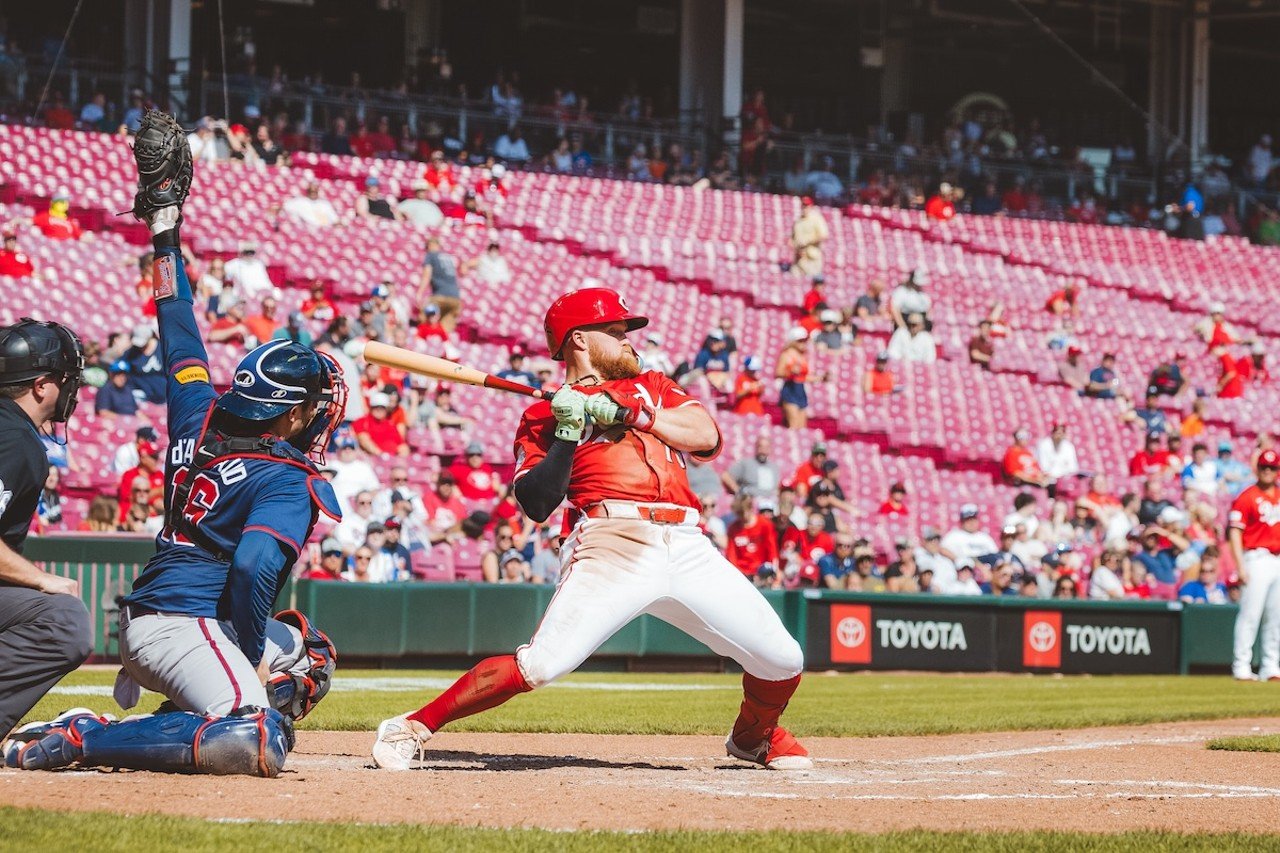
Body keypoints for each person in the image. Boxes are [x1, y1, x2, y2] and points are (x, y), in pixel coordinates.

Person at [3, 112, 342, 777]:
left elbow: (176, 320)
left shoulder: (197, 410)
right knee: (252, 735)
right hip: (181, 621)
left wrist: (165, 228)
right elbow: (249, 570)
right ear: (291, 415)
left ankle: (171, 722)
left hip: (157, 607)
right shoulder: (284, 474)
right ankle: (84, 737)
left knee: (305, 653)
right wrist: (246, 650)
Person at [372, 286, 810, 771]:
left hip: (687, 542)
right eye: (616, 331)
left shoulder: (653, 386)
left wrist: (636, 414)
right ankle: (412, 725)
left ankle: (753, 737)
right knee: (540, 665)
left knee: (783, 659)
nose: (628, 341)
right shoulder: (542, 414)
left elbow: (706, 436)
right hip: (610, 542)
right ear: (579, 340)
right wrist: (566, 436)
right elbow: (537, 502)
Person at [0, 319, 92, 741]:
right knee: (64, 619)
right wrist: (40, 578)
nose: (71, 388)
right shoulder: (15, 440)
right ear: (41, 385)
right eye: (65, 379)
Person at [1228, 449, 1280, 681]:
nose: (1268, 471)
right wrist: (1240, 566)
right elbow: (1235, 532)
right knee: (1250, 613)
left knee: (1276, 616)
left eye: (1272, 467)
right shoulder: (1247, 496)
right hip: (1257, 558)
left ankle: (1270, 665)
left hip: (1277, 558)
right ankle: (1242, 665)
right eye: (1264, 467)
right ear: (1257, 468)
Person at [725, 493, 778, 581]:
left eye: (742, 513)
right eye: (738, 513)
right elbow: (731, 555)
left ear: (750, 508)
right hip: (742, 574)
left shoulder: (765, 524)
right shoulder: (733, 528)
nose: (740, 516)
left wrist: (773, 570)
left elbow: (772, 549)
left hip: (763, 572)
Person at [418, 238, 462, 334]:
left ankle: (423, 341)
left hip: (441, 296)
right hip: (456, 299)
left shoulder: (431, 255)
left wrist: (419, 293)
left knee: (424, 316)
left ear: (429, 246)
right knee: (445, 330)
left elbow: (427, 275)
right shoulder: (449, 258)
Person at [776, 328, 816, 429]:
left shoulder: (802, 356)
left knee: (802, 426)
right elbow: (778, 373)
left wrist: (819, 378)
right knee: (793, 423)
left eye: (804, 341)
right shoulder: (786, 354)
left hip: (800, 390)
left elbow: (803, 377)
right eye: (800, 340)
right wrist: (790, 372)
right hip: (790, 389)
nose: (803, 343)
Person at [722, 436, 780, 500]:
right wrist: (739, 492)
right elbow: (725, 476)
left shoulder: (774, 467)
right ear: (756, 448)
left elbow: (776, 489)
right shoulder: (746, 463)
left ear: (770, 449)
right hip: (750, 501)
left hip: (769, 503)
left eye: (766, 447)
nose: (763, 451)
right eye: (760, 447)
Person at [790, 197, 828, 279]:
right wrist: (795, 246)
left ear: (811, 207)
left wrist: (807, 241)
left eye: (807, 206)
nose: (804, 208)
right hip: (799, 259)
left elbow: (824, 235)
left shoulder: (816, 219)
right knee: (794, 282)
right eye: (803, 205)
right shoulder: (798, 222)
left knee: (811, 282)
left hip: (812, 258)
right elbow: (792, 239)